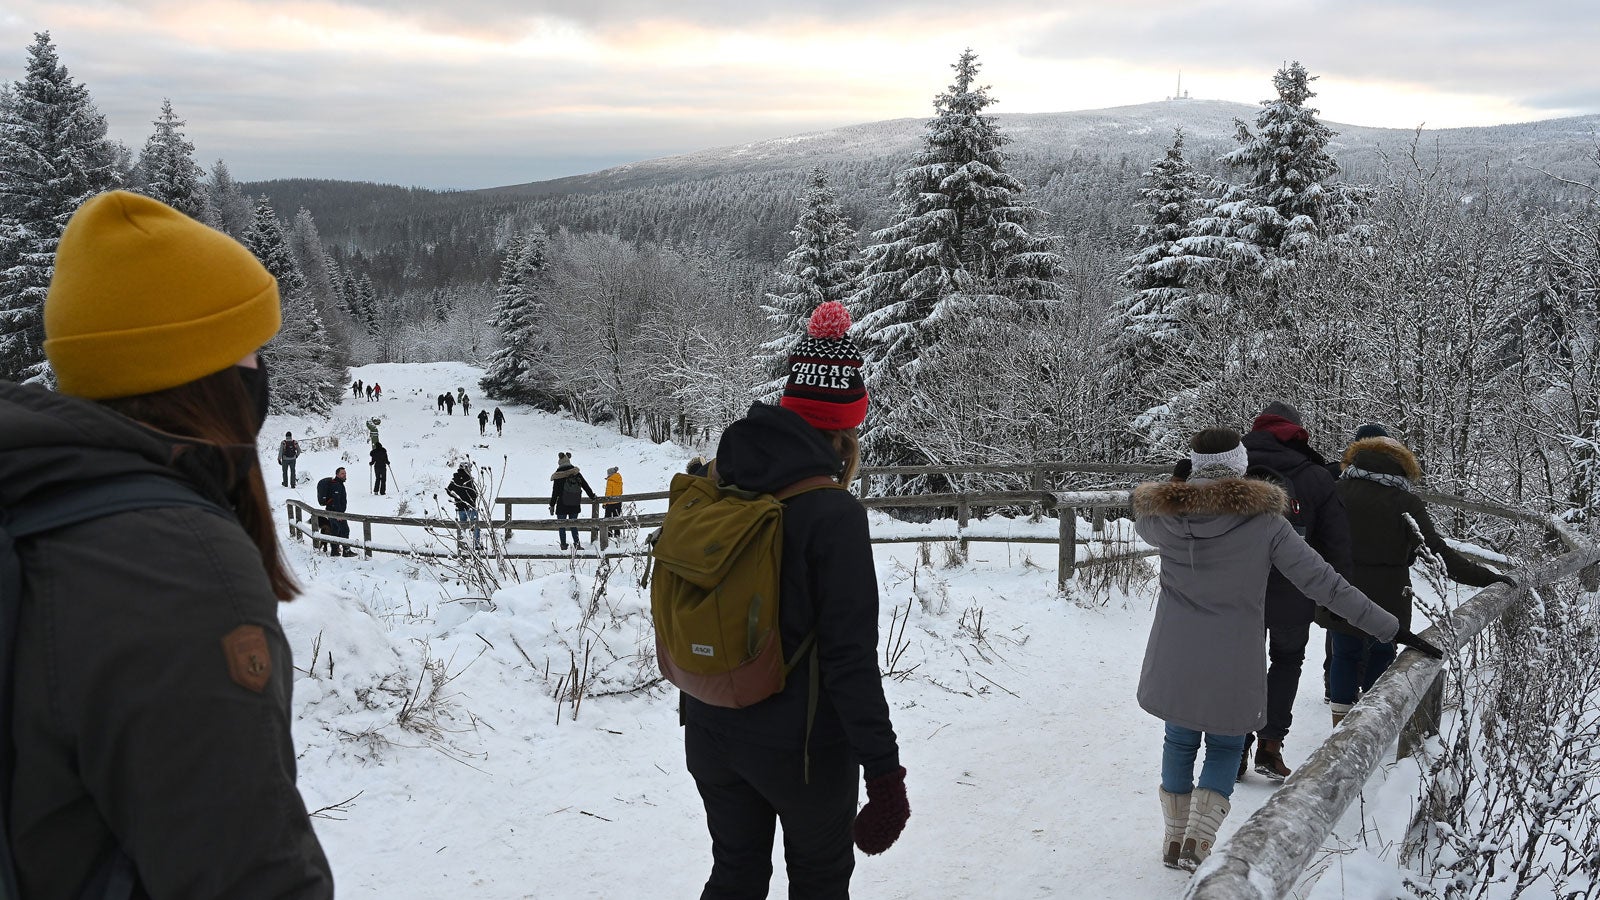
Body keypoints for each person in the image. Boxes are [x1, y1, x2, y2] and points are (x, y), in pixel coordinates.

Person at [0, 190, 333, 896]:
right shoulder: (179, 572)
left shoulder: (37, 500)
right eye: (250, 349)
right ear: (200, 373)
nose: (262, 370)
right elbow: (250, 875)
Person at [682, 300, 907, 898]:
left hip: (709, 726)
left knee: (735, 871)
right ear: (849, 424)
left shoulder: (719, 476)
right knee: (819, 881)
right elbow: (849, 661)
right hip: (802, 752)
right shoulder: (833, 513)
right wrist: (885, 773)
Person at [1132, 427, 1432, 871]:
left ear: (1191, 469)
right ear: (1241, 466)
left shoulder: (1160, 520)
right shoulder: (1266, 524)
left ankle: (1173, 839)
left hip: (1175, 652)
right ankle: (1198, 841)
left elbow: (1143, 514)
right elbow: (1325, 583)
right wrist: (1389, 627)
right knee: (1226, 742)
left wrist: (1180, 490)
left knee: (1178, 738)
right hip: (1233, 654)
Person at [1320, 433, 1515, 725]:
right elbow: (1438, 553)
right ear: (1401, 466)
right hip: (1389, 591)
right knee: (1382, 652)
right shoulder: (1405, 501)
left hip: (1340, 586)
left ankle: (1340, 724)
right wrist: (1487, 578)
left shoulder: (1336, 490)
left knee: (1344, 653)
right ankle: (1372, 724)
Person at [1237, 400, 1352, 781]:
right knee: (1286, 661)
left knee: (1242, 664)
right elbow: (1336, 542)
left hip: (1238, 591)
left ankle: (1234, 746)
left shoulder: (1233, 467)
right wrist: (1337, 597)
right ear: (1297, 433)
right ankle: (1270, 745)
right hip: (1293, 590)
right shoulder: (1316, 476)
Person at [549, 452, 597, 550]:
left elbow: (555, 492)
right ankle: (577, 544)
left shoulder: (558, 476)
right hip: (574, 503)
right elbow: (585, 485)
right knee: (574, 524)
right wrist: (592, 496)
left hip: (562, 504)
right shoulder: (576, 473)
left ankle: (563, 545)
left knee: (561, 525)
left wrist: (552, 505)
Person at [317, 467, 353, 556]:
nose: (344, 475)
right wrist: (338, 514)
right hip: (335, 513)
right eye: (342, 474)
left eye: (345, 473)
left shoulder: (337, 483)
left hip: (331, 512)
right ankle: (346, 551)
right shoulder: (336, 485)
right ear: (337, 475)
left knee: (335, 531)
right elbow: (336, 501)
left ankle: (334, 551)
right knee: (345, 530)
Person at [447, 463, 482, 551]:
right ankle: (476, 544)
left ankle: (462, 545)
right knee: (475, 526)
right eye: (470, 469)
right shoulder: (468, 479)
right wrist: (473, 497)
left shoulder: (455, 478)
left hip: (460, 507)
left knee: (462, 528)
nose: (470, 471)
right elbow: (474, 493)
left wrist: (456, 496)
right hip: (470, 506)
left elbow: (448, 490)